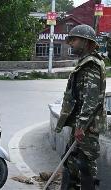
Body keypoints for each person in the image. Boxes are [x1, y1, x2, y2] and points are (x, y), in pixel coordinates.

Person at [55, 24, 106, 190]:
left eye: (74, 40)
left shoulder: (91, 64)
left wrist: (81, 126)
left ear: (86, 42)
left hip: (87, 127)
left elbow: (91, 100)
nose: (70, 43)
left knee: (85, 165)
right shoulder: (84, 63)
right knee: (72, 163)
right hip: (81, 125)